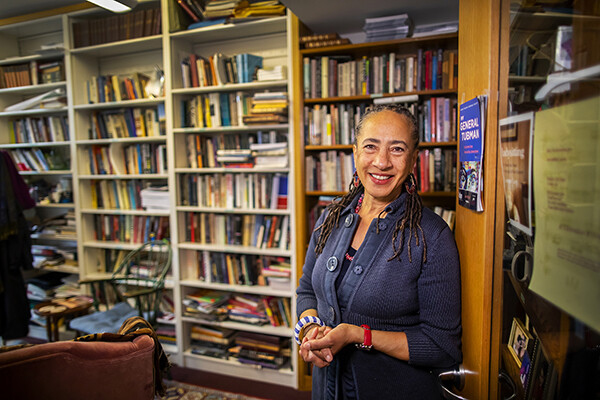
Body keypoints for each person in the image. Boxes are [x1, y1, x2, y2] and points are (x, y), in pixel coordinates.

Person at [296, 104, 462, 399]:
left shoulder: (432, 237)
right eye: (371, 146)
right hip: (327, 390)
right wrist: (309, 331)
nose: (382, 162)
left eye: (397, 149)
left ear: (413, 159)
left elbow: (440, 345)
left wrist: (359, 335)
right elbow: (308, 290)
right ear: (355, 152)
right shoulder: (330, 217)